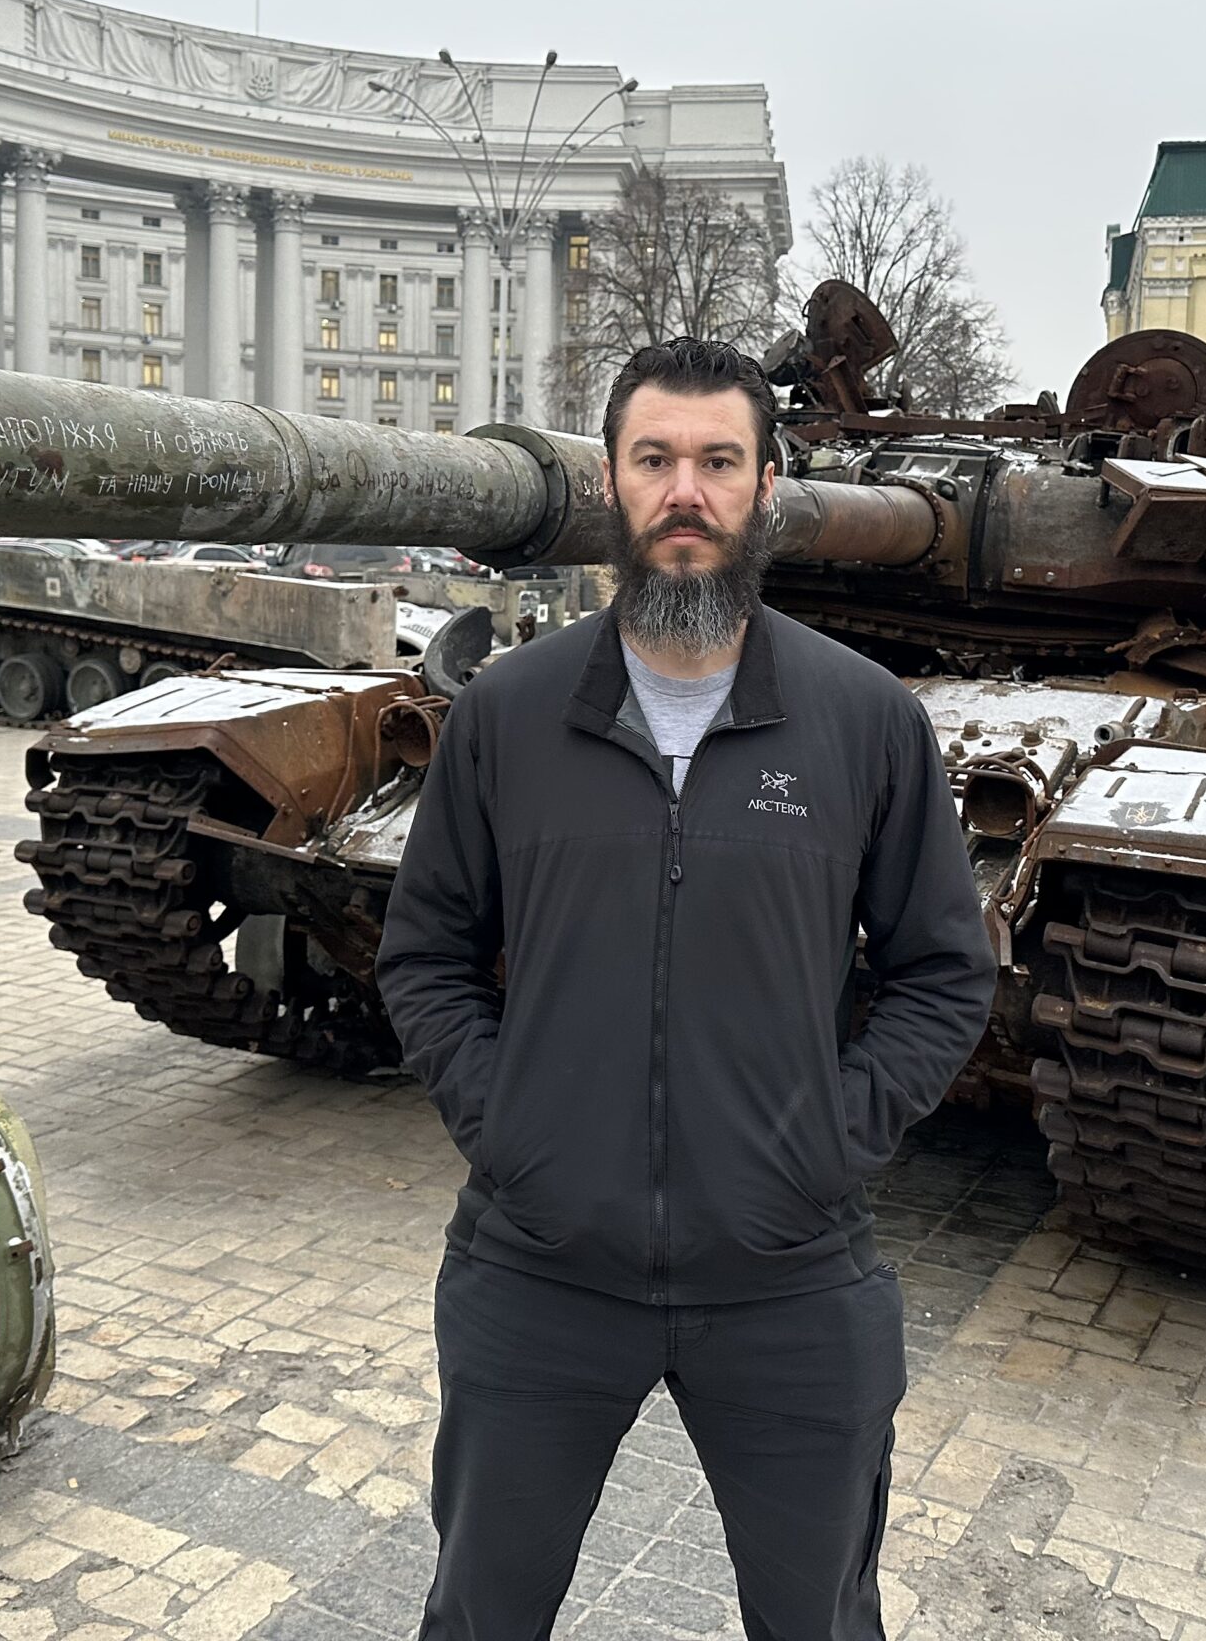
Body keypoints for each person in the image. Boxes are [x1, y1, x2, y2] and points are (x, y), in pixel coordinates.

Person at [377, 336, 996, 1641]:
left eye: (719, 461)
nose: (686, 492)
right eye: (655, 460)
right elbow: (427, 955)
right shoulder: (509, 716)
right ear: (614, 483)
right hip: (539, 1270)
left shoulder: (864, 720)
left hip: (788, 1274)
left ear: (765, 489)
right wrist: (516, 1132)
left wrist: (824, 1142)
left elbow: (942, 974)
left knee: (821, 1621)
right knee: (481, 1613)